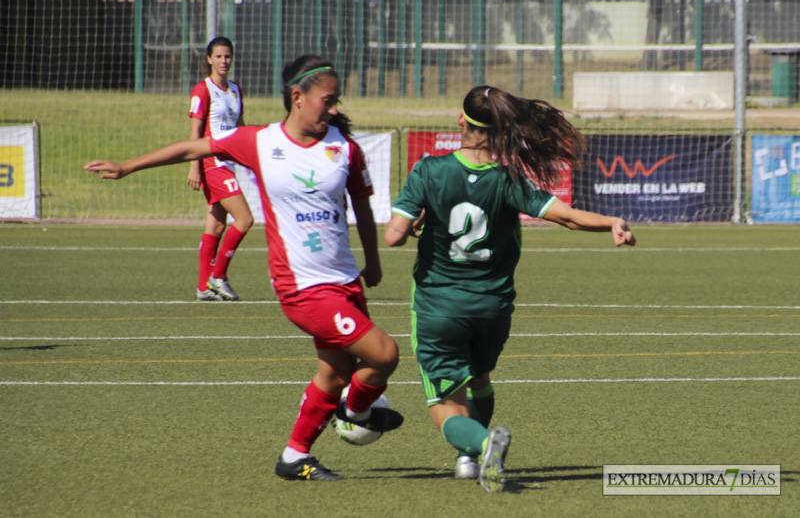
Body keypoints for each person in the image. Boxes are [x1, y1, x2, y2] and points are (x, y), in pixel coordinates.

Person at [85, 55, 404, 481]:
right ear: (297, 97)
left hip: (344, 281)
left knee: (333, 373)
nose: (333, 108)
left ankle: (294, 457)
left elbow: (362, 208)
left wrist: (373, 261)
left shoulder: (344, 147)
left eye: (336, 101)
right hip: (302, 288)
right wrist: (128, 166)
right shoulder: (259, 141)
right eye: (327, 100)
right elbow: (191, 148)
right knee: (385, 354)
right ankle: (358, 410)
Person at [384, 85, 636, 492]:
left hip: (439, 306)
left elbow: (393, 237)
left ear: (460, 122)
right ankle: (469, 459)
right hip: (492, 308)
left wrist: (415, 225)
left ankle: (482, 444)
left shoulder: (428, 170)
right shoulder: (508, 179)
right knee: (479, 379)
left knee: (445, 408)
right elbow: (567, 217)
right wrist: (611, 223)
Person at [187, 36, 253, 301]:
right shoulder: (202, 90)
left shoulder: (235, 89)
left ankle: (204, 287)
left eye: (227, 56)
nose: (224, 61)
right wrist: (194, 167)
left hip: (229, 163)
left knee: (215, 227)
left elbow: (241, 126)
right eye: (218, 56)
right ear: (209, 59)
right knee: (245, 219)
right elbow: (195, 131)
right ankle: (219, 276)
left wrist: (250, 158)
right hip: (212, 164)